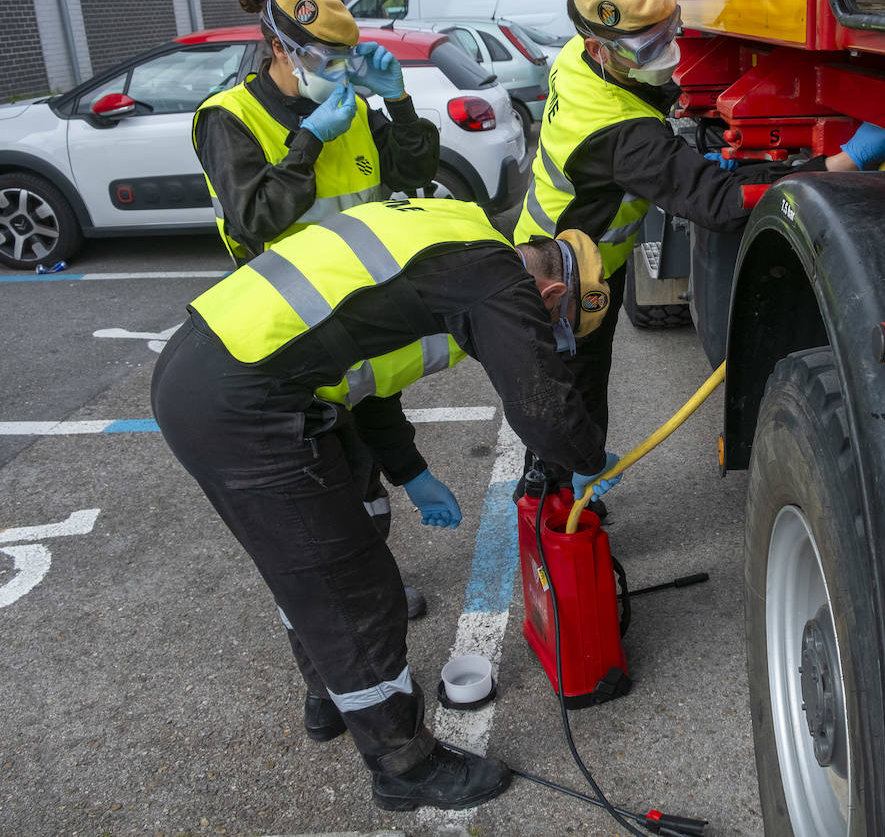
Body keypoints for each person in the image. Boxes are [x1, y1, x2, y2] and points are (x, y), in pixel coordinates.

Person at [150, 197, 622, 812]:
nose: (545, 340)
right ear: (552, 292)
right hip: (244, 403)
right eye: (554, 327)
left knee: (320, 549)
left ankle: (329, 694)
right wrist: (588, 457)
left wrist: (409, 470)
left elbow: (367, 370)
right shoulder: (501, 282)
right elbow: (542, 406)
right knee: (353, 590)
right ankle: (405, 767)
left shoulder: (458, 225)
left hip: (211, 362)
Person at [512, 0, 885, 499]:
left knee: (577, 393)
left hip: (576, 254)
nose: (668, 52)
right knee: (569, 400)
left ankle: (571, 478)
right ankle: (553, 508)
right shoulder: (618, 133)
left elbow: (649, 116)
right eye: (649, 48)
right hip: (564, 281)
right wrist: (842, 163)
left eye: (670, 32)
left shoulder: (579, 56)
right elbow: (719, 204)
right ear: (601, 47)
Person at [192, 0, 440, 622]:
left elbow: (412, 175)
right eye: (325, 58)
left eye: (346, 57)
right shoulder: (231, 120)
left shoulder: (353, 108)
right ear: (281, 47)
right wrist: (308, 142)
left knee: (364, 484)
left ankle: (375, 591)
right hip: (285, 349)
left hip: (356, 329)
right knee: (309, 507)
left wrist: (400, 103)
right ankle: (326, 664)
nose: (339, 69)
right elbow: (256, 220)